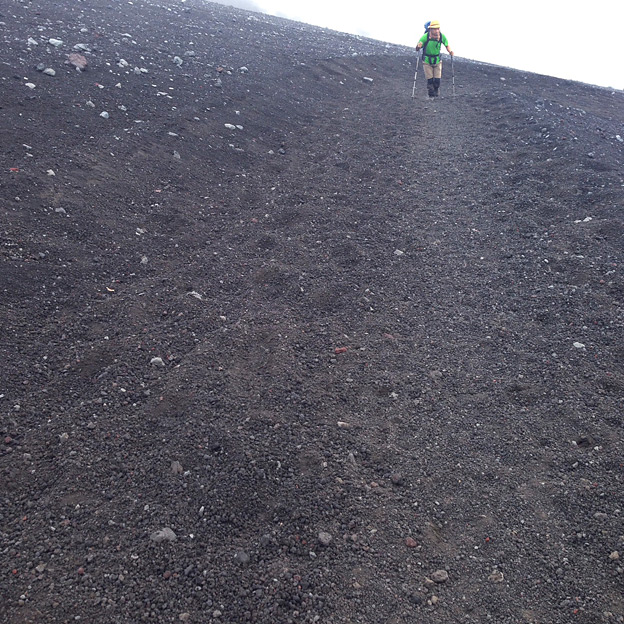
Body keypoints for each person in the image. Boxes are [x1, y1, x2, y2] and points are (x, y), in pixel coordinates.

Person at [415, 21, 454, 97]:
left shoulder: (442, 37)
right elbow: (417, 48)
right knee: (430, 80)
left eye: (438, 29)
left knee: (437, 80)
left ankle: (436, 93)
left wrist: (450, 51)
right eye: (434, 29)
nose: (436, 31)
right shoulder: (425, 37)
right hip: (427, 61)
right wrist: (418, 47)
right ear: (430, 29)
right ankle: (431, 95)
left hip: (437, 60)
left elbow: (447, 45)